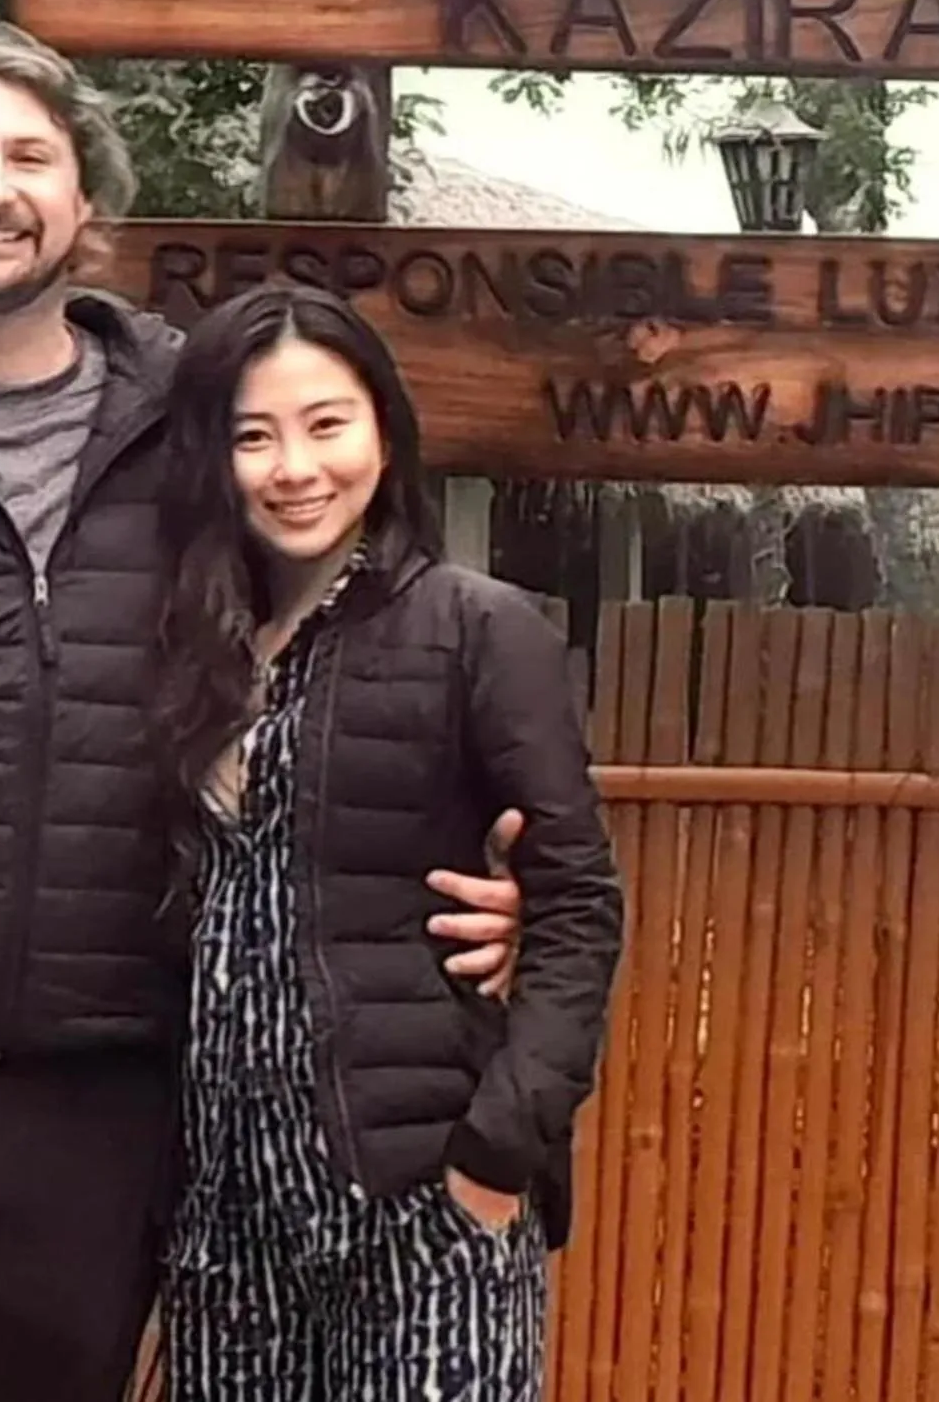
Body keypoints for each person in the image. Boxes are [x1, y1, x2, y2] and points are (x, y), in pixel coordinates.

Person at [0, 20, 525, 1402]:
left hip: (100, 1120)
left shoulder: (196, 425)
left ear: (85, 199)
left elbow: (358, 647)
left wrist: (489, 881)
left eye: (28, 157)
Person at [147, 282, 621, 1400]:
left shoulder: (477, 627)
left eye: (328, 424)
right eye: (254, 437)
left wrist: (495, 1154)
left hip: (419, 1202)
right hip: (226, 1220)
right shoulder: (187, 647)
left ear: (385, 432)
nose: (295, 468)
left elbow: (578, 904)